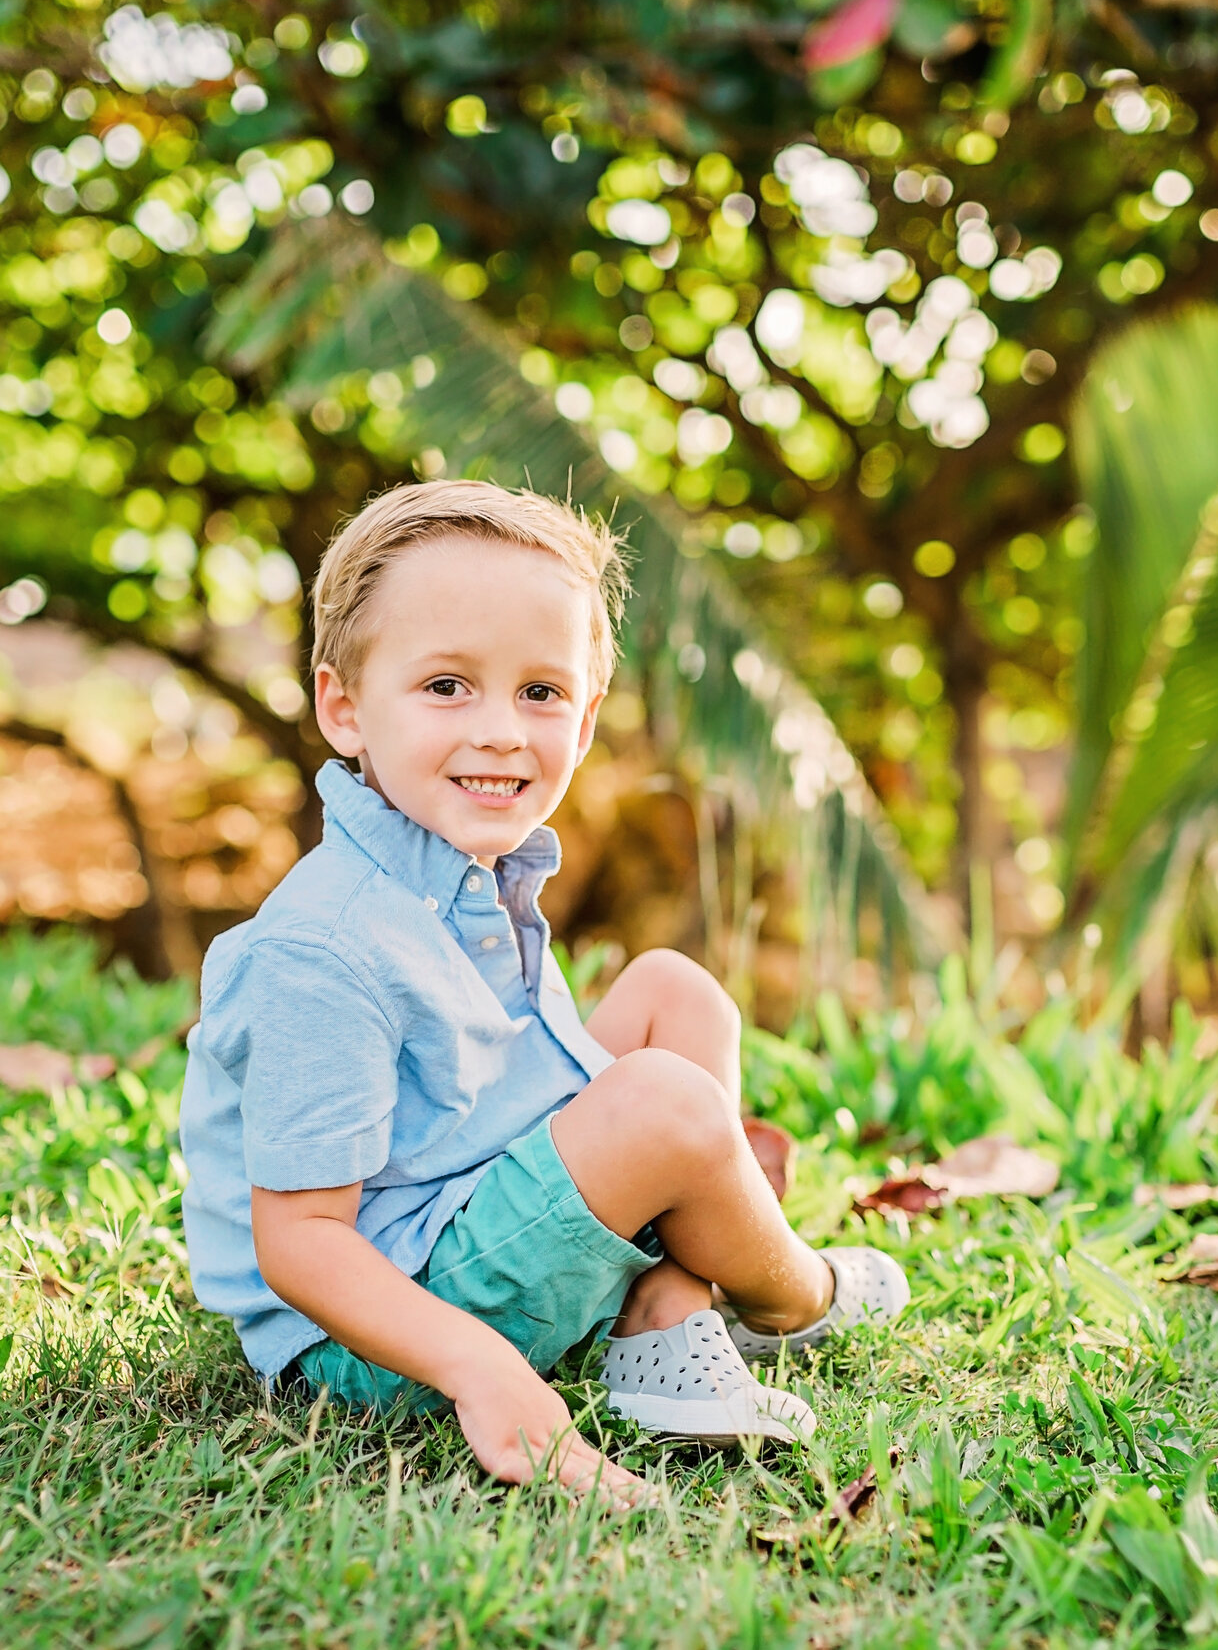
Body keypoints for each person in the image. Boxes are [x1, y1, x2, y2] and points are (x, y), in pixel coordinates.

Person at [179, 480, 908, 1504]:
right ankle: (797, 1293)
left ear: (587, 711)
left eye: (540, 691)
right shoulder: (324, 948)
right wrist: (483, 1371)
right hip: (377, 1340)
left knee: (672, 993)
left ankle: (663, 1308)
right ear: (343, 705)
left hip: (465, 1195)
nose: (500, 732)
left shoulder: (464, 865)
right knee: (664, 1101)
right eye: (445, 686)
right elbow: (301, 1244)